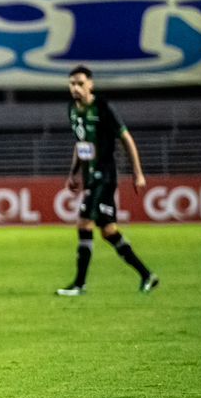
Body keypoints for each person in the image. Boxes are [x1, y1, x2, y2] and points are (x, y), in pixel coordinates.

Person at [58, 66, 160, 296]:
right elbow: (80, 143)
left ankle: (79, 285)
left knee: (84, 222)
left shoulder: (102, 107)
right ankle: (147, 275)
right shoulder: (72, 109)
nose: (75, 87)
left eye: (80, 83)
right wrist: (73, 173)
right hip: (89, 176)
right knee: (108, 231)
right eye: (72, 83)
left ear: (90, 84)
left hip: (103, 175)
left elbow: (126, 138)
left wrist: (138, 172)